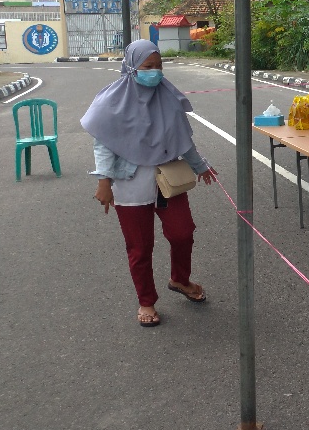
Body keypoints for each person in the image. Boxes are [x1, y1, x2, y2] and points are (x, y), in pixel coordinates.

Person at [82, 40, 217, 328]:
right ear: (131, 68)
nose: (154, 72)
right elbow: (104, 145)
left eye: (158, 66)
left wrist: (201, 166)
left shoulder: (166, 97)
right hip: (129, 183)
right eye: (147, 67)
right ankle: (146, 300)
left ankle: (180, 279)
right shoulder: (111, 102)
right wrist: (103, 182)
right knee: (140, 247)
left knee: (183, 232)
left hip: (167, 179)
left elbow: (182, 138)